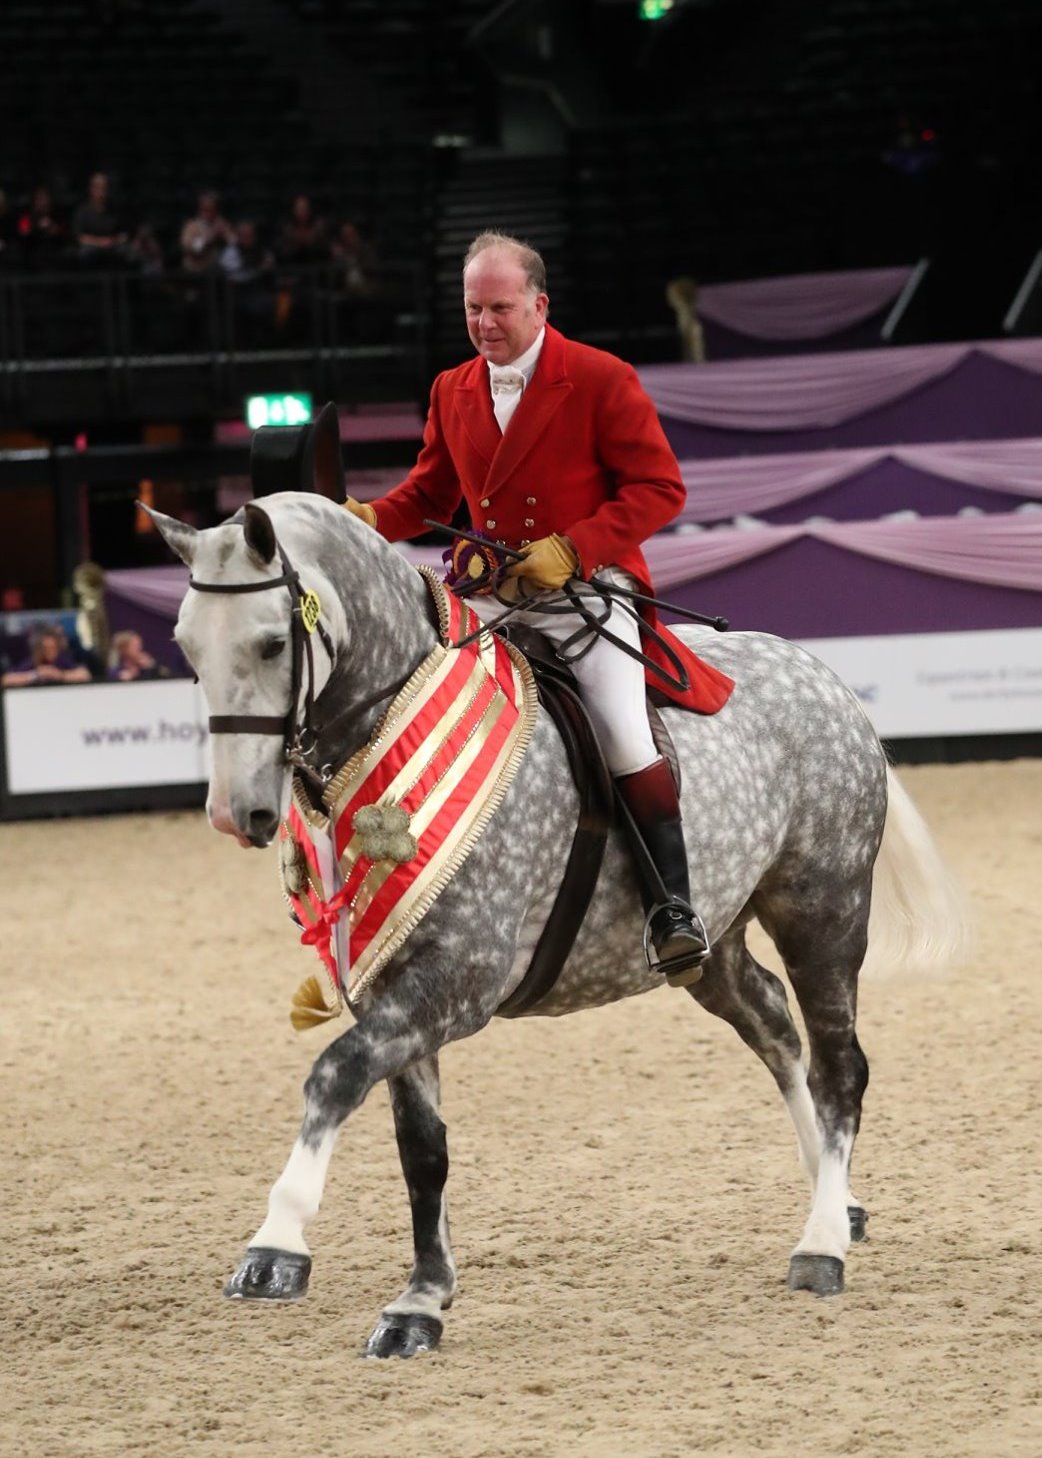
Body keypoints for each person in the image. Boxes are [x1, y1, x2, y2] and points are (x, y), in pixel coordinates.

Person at [343, 230, 735, 982]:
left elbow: (660, 490)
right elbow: (428, 495)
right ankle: (383, 904)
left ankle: (673, 908)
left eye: (499, 307)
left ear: (538, 304)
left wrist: (577, 548)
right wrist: (361, 521)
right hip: (494, 593)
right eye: (472, 309)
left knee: (621, 730)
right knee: (410, 712)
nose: (485, 324)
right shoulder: (452, 387)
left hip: (586, 592)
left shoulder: (598, 376)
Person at [2, 624, 91, 687]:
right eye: (46, 648)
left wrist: (60, 675)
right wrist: (35, 675)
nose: (49, 652)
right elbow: (6, 679)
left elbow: (85, 674)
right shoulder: (32, 662)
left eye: (53, 648)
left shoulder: (62, 661)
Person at [72, 172, 128, 266]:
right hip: (92, 246)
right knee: (84, 252)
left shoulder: (115, 210)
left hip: (112, 246)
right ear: (91, 189)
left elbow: (124, 235)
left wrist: (113, 241)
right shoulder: (82, 211)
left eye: (104, 187)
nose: (101, 190)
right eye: (97, 187)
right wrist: (100, 242)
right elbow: (79, 237)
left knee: (126, 251)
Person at [180, 189, 233, 274]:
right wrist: (209, 238)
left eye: (211, 209)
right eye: (204, 209)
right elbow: (192, 250)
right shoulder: (191, 226)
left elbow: (233, 243)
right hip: (195, 270)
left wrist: (226, 236)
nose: (207, 213)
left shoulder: (221, 223)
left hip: (216, 270)